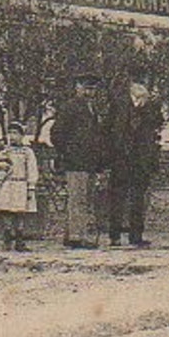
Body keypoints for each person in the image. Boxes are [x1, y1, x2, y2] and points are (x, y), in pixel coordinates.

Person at [51, 74, 108, 247]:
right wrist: (69, 152)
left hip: (90, 162)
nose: (89, 92)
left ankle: (72, 234)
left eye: (92, 89)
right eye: (86, 88)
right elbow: (56, 133)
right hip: (75, 162)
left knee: (85, 199)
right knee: (78, 199)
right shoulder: (70, 107)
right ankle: (77, 237)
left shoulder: (93, 109)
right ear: (77, 87)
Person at [107, 77, 163, 248]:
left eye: (143, 99)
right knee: (118, 198)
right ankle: (115, 236)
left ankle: (136, 235)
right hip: (121, 160)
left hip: (141, 161)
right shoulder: (119, 105)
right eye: (137, 98)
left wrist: (150, 108)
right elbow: (110, 130)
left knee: (138, 199)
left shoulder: (151, 108)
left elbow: (157, 124)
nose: (140, 101)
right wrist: (112, 154)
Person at [0, 121, 40, 252]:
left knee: (20, 212)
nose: (12, 136)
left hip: (21, 184)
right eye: (10, 133)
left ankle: (20, 240)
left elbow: (32, 169)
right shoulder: (4, 151)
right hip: (7, 184)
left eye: (15, 133)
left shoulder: (27, 152)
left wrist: (31, 186)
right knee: (6, 211)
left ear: (22, 135)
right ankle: (7, 236)